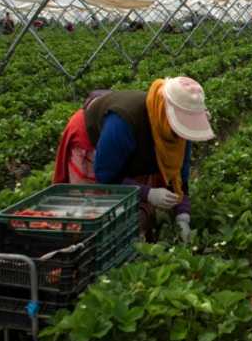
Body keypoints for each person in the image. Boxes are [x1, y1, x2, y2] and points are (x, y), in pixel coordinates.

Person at [53, 77, 214, 243]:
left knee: (136, 208)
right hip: (92, 137)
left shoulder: (176, 132)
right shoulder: (123, 122)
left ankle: (138, 237)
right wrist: (147, 193)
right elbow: (106, 178)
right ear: (169, 117)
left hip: (130, 141)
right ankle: (89, 249)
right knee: (96, 209)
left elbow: (180, 174)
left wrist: (183, 216)